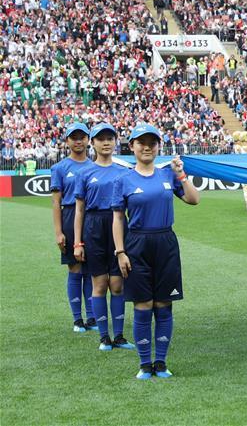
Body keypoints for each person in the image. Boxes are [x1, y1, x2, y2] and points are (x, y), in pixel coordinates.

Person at [112, 124, 200, 379]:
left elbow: (194, 200)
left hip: (166, 243)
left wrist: (182, 174)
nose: (147, 146)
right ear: (132, 147)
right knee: (142, 304)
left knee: (163, 303)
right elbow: (117, 218)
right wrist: (120, 252)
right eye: (141, 142)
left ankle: (160, 363)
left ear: (159, 146)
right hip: (137, 244)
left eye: (152, 142)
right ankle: (144, 364)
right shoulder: (124, 179)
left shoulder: (167, 175)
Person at [73, 123, 135, 351]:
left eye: (110, 138)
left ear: (116, 142)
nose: (106, 142)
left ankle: (118, 336)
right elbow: (79, 210)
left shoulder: (125, 171)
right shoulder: (84, 173)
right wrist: (78, 242)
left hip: (118, 225)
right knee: (99, 284)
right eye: (101, 139)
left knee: (117, 284)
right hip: (94, 228)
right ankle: (103, 337)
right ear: (93, 143)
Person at [50, 122, 96, 333]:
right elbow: (56, 203)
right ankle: (78, 319)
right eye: (73, 137)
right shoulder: (60, 168)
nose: (78, 140)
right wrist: (59, 232)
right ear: (67, 141)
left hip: (92, 218)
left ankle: (92, 318)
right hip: (69, 218)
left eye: (82, 137)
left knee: (91, 270)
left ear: (88, 140)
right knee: (75, 268)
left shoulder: (95, 166)